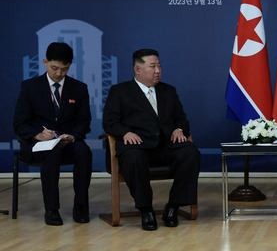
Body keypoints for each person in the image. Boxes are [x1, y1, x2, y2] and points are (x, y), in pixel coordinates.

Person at [102, 49, 200, 231]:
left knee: (190, 153)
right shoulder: (120, 91)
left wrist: (180, 129)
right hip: (137, 146)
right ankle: (145, 209)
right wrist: (125, 133)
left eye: (159, 66)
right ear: (137, 70)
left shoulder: (168, 91)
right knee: (133, 158)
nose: (157, 71)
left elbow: (182, 119)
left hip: (165, 146)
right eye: (152, 67)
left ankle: (173, 206)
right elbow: (109, 121)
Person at [13, 42, 92, 226]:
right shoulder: (29, 87)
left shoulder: (79, 88)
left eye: (64, 69)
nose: (58, 73)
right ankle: (51, 209)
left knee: (84, 152)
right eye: (54, 68)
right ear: (45, 62)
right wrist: (37, 135)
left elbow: (84, 122)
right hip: (38, 143)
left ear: (70, 66)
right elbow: (19, 123)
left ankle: (80, 205)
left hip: (68, 141)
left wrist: (72, 136)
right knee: (51, 153)